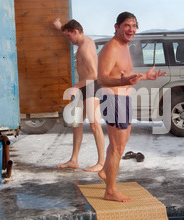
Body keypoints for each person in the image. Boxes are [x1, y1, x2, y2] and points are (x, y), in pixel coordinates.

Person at [97, 12, 166, 202]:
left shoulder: (124, 46)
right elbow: (102, 78)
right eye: (127, 25)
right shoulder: (111, 48)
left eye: (134, 25)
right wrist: (124, 80)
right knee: (118, 145)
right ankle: (110, 190)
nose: (131, 29)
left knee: (122, 141)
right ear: (116, 26)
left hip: (123, 97)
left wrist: (145, 76)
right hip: (113, 98)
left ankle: (105, 171)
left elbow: (125, 74)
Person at [52, 18, 105, 172]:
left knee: (95, 125)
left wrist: (75, 86)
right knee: (77, 123)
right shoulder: (86, 40)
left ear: (75, 32)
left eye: (68, 36)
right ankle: (74, 160)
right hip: (83, 86)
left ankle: (101, 163)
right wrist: (61, 28)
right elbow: (71, 30)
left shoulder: (84, 49)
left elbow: (94, 74)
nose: (68, 40)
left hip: (90, 86)